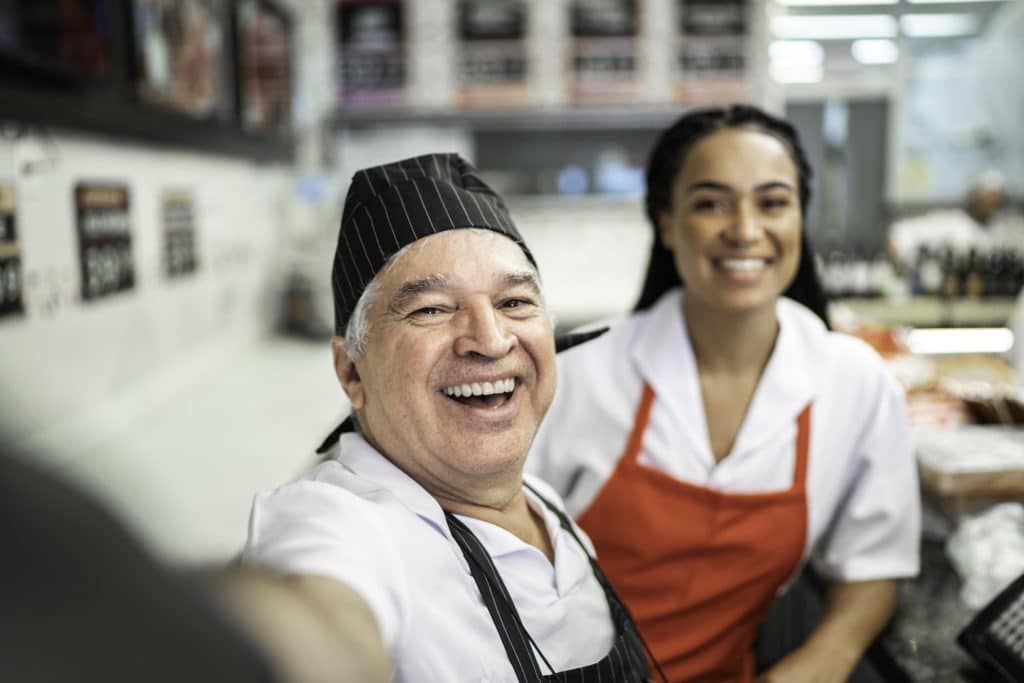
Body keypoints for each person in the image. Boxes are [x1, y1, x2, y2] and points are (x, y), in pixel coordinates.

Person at [527, 105, 921, 682]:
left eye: (773, 202)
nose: (745, 229)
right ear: (665, 221)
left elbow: (874, 564)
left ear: (799, 218)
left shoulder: (852, 382)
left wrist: (826, 658)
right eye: (711, 203)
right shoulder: (579, 372)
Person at [241, 153, 656, 682]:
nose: (490, 339)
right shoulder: (339, 523)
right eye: (431, 309)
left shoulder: (546, 504)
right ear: (351, 373)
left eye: (514, 302)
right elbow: (314, 622)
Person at [888, 169, 1024, 274]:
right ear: (973, 198)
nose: (993, 203)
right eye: (988, 198)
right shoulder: (950, 222)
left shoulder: (1004, 227)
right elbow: (899, 233)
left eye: (998, 198)